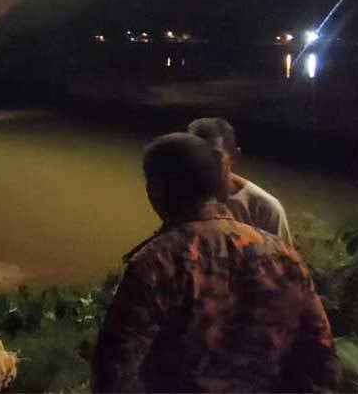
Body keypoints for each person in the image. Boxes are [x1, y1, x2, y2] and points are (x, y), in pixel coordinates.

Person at [92, 133, 340, 393]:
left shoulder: (156, 263)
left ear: (156, 190)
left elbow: (113, 373)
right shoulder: (284, 256)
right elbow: (322, 361)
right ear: (214, 184)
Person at [188, 116, 292, 244]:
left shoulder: (265, 208)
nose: (204, 163)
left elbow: (282, 254)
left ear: (234, 157)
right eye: (196, 154)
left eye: (215, 156)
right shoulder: (183, 198)